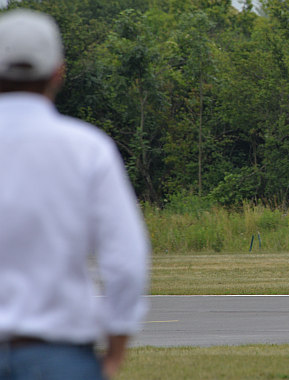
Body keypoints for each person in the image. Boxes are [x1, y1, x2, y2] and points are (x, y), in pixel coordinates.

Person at [0, 9, 149, 379]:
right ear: (58, 72)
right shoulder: (88, 149)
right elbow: (126, 263)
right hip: (59, 356)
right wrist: (114, 353)